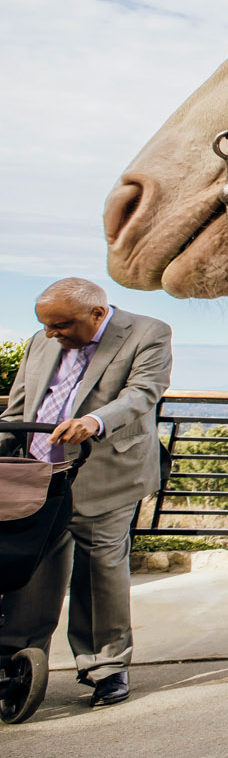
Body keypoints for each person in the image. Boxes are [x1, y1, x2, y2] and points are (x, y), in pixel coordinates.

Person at [0, 278, 172, 707]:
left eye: (59, 325)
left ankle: (106, 667)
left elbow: (142, 394)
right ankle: (15, 660)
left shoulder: (148, 332)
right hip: (42, 474)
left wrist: (95, 421)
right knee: (32, 567)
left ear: (96, 314)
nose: (50, 334)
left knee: (99, 568)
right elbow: (22, 407)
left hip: (107, 471)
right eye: (45, 326)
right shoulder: (44, 340)